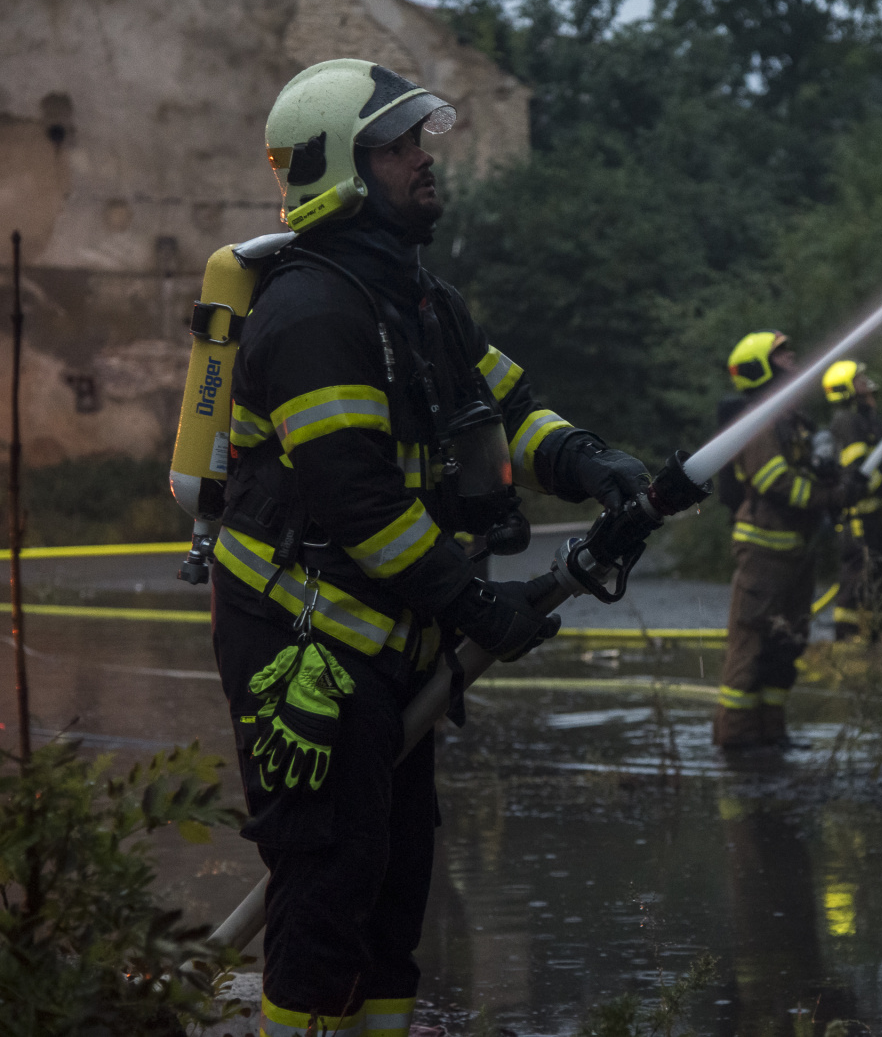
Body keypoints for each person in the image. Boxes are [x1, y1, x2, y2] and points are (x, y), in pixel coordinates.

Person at [212, 59, 649, 1037]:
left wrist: (587, 460)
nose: (424, 160)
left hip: (383, 646)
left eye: (420, 140)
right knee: (326, 902)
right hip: (303, 647)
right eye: (399, 146)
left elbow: (502, 411)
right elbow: (358, 504)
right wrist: (472, 601)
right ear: (341, 169)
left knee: (394, 901)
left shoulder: (417, 301)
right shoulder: (312, 315)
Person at [714, 332, 857, 748]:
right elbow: (776, 481)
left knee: (787, 643)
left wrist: (841, 482)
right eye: (782, 353)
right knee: (751, 643)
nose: (793, 357)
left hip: (796, 548)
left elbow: (810, 473)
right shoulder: (757, 418)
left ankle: (771, 733)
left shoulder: (791, 418)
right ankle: (736, 741)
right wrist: (831, 495)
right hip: (765, 549)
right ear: (762, 366)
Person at [821, 360, 882, 641]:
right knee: (857, 579)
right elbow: (858, 470)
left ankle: (877, 641)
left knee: (879, 577)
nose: (865, 381)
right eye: (859, 379)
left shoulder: (872, 418)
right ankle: (847, 642)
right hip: (859, 518)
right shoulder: (847, 422)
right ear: (845, 388)